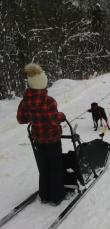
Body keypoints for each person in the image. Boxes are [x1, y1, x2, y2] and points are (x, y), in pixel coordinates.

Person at [17, 63, 67, 205]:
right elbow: (53, 119)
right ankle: (57, 196)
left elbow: (21, 119)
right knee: (55, 168)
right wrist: (62, 115)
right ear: (42, 84)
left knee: (43, 168)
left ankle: (45, 195)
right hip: (52, 140)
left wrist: (33, 117)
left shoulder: (25, 102)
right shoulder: (49, 101)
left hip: (37, 140)